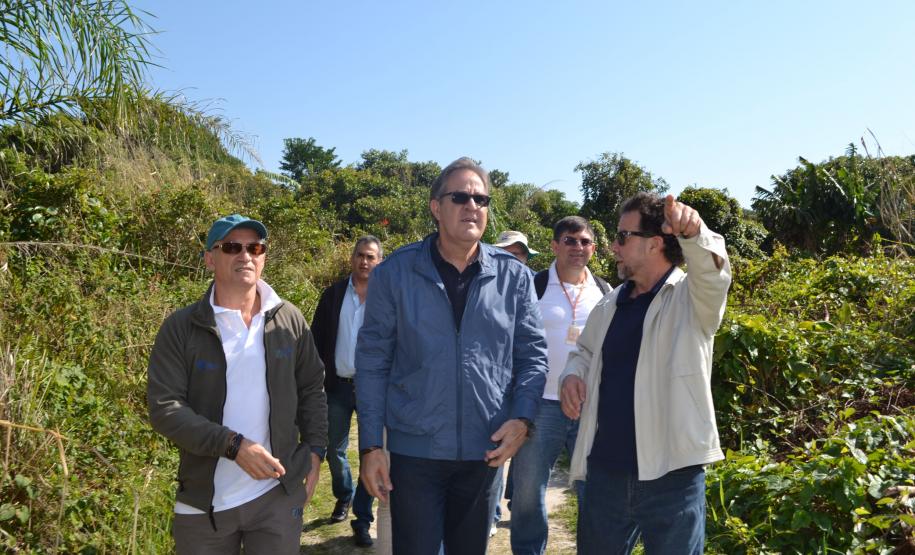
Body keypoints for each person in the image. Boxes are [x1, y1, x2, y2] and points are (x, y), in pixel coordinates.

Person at [355, 157, 549, 554]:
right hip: (415, 453)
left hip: (485, 451)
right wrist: (371, 447)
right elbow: (372, 363)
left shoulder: (514, 277)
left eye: (481, 198)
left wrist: (523, 419)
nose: (472, 206)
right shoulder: (395, 273)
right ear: (435, 207)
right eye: (460, 196)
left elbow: (533, 356)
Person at [559, 193, 731, 554]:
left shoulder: (691, 299)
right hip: (605, 472)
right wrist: (573, 375)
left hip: (673, 476)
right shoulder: (610, 303)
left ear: (654, 244)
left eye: (623, 237)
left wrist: (696, 231)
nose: (613, 247)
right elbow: (585, 352)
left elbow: (715, 274)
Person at [147, 214, 328, 554]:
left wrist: (316, 450)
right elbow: (165, 408)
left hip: (277, 494)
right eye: (232, 247)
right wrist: (233, 445)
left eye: (255, 247)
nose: (245, 255)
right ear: (209, 258)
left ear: (263, 257)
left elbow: (311, 387)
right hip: (204, 504)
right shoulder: (182, 327)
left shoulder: (289, 318)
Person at [510, 216, 609, 555]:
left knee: (592, 494)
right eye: (569, 240)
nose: (577, 247)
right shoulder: (533, 286)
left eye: (584, 242)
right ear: (554, 245)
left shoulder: (607, 292)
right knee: (526, 495)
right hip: (539, 405)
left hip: (590, 407)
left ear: (593, 249)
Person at [310, 236, 383, 548]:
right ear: (352, 259)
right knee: (334, 449)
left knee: (371, 450)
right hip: (338, 386)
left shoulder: (387, 297)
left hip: (373, 389)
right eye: (359, 256)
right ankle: (344, 496)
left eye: (370, 257)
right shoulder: (334, 294)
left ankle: (363, 520)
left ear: (380, 261)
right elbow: (316, 340)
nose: (364, 262)